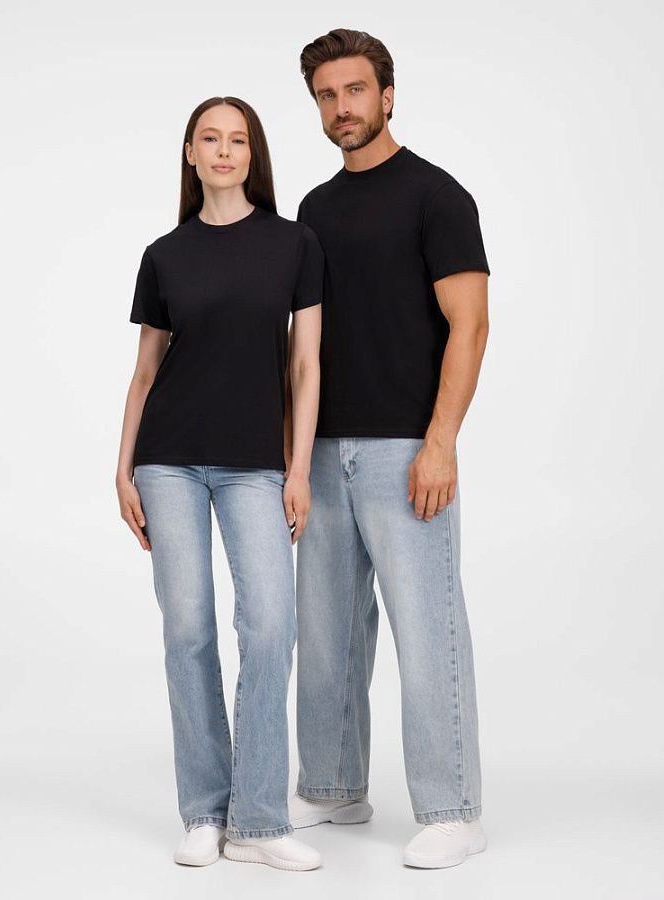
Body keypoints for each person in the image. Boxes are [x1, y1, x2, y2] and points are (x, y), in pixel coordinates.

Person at [286, 29, 491, 869]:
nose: (342, 107)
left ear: (387, 95)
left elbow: (469, 325)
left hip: (405, 450)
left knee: (426, 632)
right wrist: (293, 455)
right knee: (325, 635)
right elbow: (302, 342)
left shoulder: (436, 196)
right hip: (321, 451)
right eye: (327, 95)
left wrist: (439, 442)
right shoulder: (313, 209)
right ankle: (333, 787)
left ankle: (453, 809)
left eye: (355, 90)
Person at [115, 96, 324, 872]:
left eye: (238, 140)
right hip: (167, 459)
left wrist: (298, 468)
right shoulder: (163, 254)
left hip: (255, 465)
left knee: (268, 627)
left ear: (252, 155)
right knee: (188, 632)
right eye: (210, 138)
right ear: (191, 154)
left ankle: (260, 820)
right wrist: (122, 468)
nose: (225, 150)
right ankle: (205, 812)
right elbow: (145, 372)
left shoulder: (294, 244)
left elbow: (305, 364)